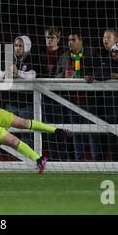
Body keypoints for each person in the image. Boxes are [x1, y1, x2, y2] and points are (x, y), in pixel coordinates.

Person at [56, 32, 103, 161]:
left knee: (92, 133)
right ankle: (79, 161)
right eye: (69, 40)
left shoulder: (92, 54)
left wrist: (93, 75)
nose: (70, 42)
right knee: (75, 133)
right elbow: (56, 75)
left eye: (73, 40)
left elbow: (101, 70)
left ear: (81, 40)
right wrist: (63, 76)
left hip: (89, 100)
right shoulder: (64, 57)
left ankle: (97, 161)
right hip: (71, 101)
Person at [37, 27, 70, 161]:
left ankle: (64, 159)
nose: (49, 40)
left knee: (62, 129)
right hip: (44, 96)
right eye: (47, 37)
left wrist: (59, 75)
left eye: (52, 37)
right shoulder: (40, 54)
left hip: (60, 96)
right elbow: (37, 74)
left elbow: (66, 73)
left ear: (58, 39)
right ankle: (53, 159)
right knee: (49, 130)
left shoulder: (64, 53)